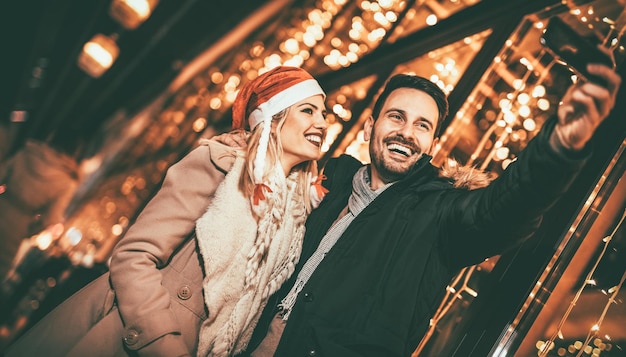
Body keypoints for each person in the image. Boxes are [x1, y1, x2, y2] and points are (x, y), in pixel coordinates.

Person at [216, 54, 620, 356]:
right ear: (371, 126)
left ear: (432, 145)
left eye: (422, 126)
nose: (406, 133)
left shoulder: (441, 212)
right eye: (396, 117)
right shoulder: (330, 182)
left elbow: (506, 208)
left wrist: (560, 147)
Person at [4, 66, 329, 357]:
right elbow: (134, 256)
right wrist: (163, 341)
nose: (322, 122)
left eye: (325, 113)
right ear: (272, 118)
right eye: (308, 110)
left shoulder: (295, 213)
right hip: (139, 338)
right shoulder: (220, 166)